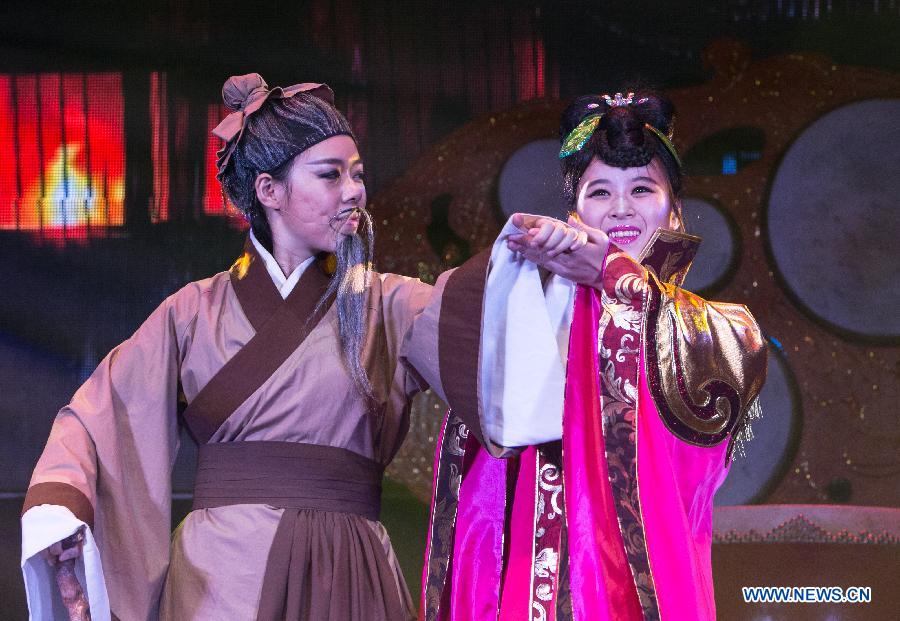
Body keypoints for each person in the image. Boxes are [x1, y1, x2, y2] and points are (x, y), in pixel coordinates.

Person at [20, 73, 490, 621]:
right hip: (221, 578)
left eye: (358, 175)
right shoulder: (193, 313)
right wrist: (61, 504)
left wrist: (523, 265)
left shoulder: (388, 305)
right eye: (330, 174)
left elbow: (480, 337)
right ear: (269, 191)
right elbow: (103, 414)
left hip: (346, 567)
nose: (355, 190)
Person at [419, 92, 768, 621]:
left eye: (643, 189)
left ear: (673, 210)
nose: (621, 208)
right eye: (600, 191)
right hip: (525, 587)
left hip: (639, 590)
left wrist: (614, 275)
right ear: (573, 214)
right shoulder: (530, 317)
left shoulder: (716, 330)